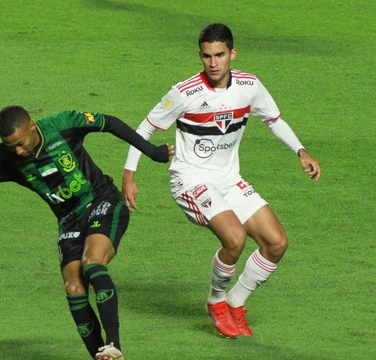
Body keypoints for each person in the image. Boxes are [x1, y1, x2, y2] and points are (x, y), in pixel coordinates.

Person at [121, 23, 321, 337]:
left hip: (229, 180)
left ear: (232, 54)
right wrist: (129, 174)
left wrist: (301, 150)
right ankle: (216, 302)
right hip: (190, 181)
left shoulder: (249, 86)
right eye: (206, 56)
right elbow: (144, 128)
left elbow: (274, 119)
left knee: (277, 243)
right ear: (200, 56)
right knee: (235, 239)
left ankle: (236, 302)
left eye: (219, 55)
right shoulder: (185, 93)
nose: (213, 63)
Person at [0, 105, 174, 359]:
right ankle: (104, 357)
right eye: (11, 147)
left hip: (102, 200)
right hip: (68, 220)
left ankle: (113, 343)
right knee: (73, 286)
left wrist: (153, 152)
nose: (19, 151)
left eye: (21, 143)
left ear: (32, 125)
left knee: (92, 261)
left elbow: (109, 122)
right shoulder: (3, 158)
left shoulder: (63, 124)